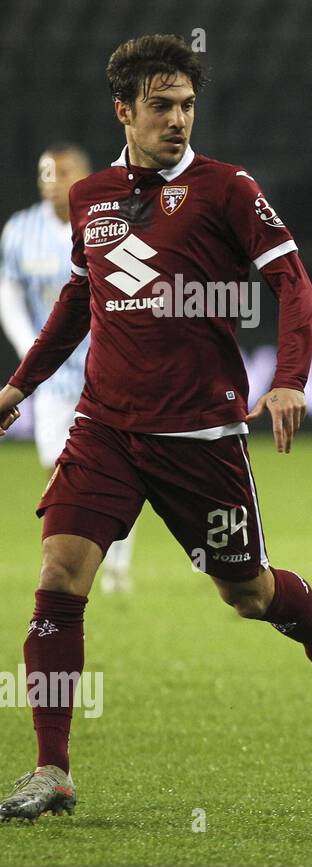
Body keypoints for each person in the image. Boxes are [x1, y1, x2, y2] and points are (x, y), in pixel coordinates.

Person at [0, 34, 312, 823]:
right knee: (59, 578)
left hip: (200, 435)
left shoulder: (228, 189)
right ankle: (51, 770)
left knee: (248, 592)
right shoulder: (91, 198)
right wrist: (20, 383)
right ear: (123, 110)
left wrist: (289, 378)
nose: (177, 120)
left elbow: (292, 286)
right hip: (105, 427)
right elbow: (77, 299)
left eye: (187, 105)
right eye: (161, 106)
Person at [1, 144, 138, 593]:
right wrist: (29, 349)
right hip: (55, 374)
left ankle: (116, 564)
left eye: (65, 173)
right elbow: (8, 295)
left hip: (109, 367)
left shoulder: (110, 222)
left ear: (83, 175)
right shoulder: (20, 231)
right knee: (58, 467)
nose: (55, 181)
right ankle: (82, 553)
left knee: (117, 464)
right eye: (48, 173)